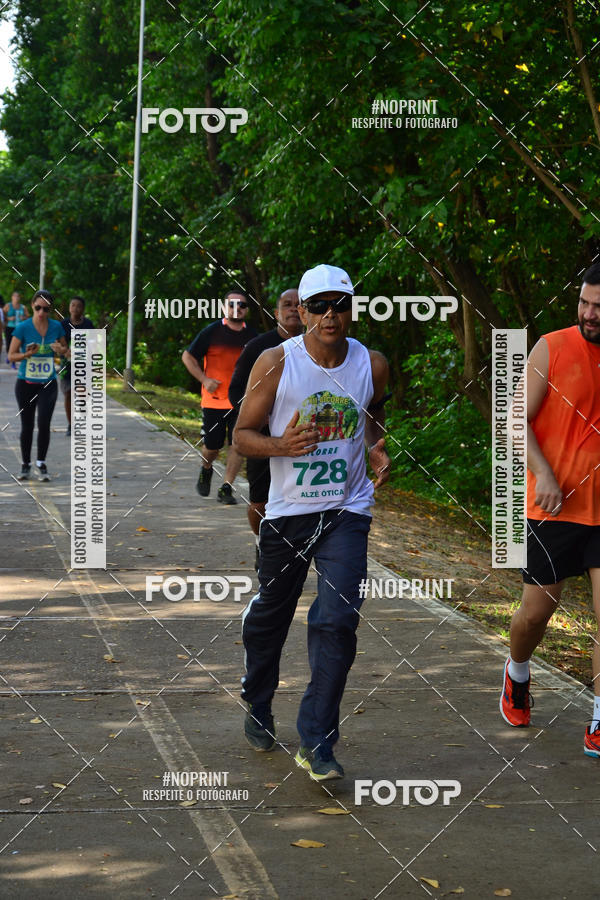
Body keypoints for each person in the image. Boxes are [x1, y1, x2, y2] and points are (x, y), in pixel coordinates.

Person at [233, 264, 390, 780]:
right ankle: (257, 698)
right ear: (301, 311)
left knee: (338, 619)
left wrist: (375, 448)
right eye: (318, 306)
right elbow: (242, 436)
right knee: (270, 621)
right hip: (287, 514)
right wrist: (282, 445)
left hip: (346, 509)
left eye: (339, 305)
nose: (330, 315)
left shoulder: (373, 363)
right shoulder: (276, 363)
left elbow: (371, 416)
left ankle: (317, 742)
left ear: (351, 308)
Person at [500, 261, 600, 757]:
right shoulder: (552, 347)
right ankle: (517, 673)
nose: (589, 313)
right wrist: (545, 475)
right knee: (536, 615)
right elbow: (515, 422)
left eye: (599, 307)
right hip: (554, 508)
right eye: (584, 302)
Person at [229, 288, 303, 567]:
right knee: (260, 501)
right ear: (276, 313)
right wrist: (261, 417)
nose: (294, 309)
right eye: (287, 304)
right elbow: (236, 391)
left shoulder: (319, 347)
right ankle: (261, 542)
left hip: (304, 440)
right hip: (262, 439)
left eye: (300, 304)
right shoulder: (259, 348)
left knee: (300, 498)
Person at [182, 290, 258, 504]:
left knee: (238, 444)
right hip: (214, 400)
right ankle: (206, 468)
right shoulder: (212, 331)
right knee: (212, 447)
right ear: (225, 307)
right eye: (232, 304)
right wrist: (204, 379)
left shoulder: (253, 336)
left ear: (246, 310)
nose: (237, 308)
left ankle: (227, 487)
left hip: (241, 401)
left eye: (242, 304)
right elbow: (187, 356)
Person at [8, 290, 68, 481]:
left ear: (50, 310)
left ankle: (41, 463)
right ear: (32, 306)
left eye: (46, 309)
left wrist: (61, 350)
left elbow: (66, 352)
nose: (41, 312)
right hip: (26, 383)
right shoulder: (23, 327)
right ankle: (25, 464)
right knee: (27, 425)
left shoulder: (57, 327)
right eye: (38, 308)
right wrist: (26, 355)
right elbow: (11, 355)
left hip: (48, 383)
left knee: (44, 423)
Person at [60, 296, 95, 435]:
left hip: (84, 365)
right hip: (67, 365)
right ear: (69, 307)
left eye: (78, 306)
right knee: (68, 394)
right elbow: (58, 343)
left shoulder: (88, 324)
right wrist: (64, 351)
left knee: (82, 395)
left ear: (83, 309)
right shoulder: (63, 324)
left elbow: (93, 345)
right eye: (73, 305)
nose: (75, 308)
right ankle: (71, 425)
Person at [4, 291, 29, 369]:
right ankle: (10, 357)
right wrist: (8, 318)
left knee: (17, 345)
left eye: (18, 296)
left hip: (19, 328)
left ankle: (13, 362)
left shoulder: (23, 307)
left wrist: (23, 318)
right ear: (12, 297)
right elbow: (2, 315)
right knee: (9, 344)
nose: (16, 298)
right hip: (9, 327)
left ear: (19, 298)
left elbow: (28, 317)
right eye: (15, 296)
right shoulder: (8, 306)